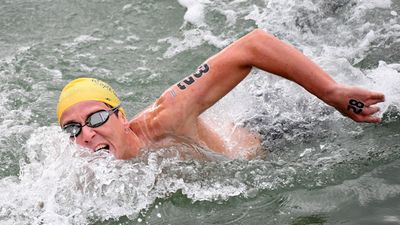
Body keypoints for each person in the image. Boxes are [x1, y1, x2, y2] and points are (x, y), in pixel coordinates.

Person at [56, 29, 385, 160]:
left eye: (96, 117)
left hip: (282, 135)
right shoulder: (87, 165)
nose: (86, 134)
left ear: (121, 116)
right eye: (72, 128)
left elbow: (253, 45)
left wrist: (332, 93)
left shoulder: (166, 118)